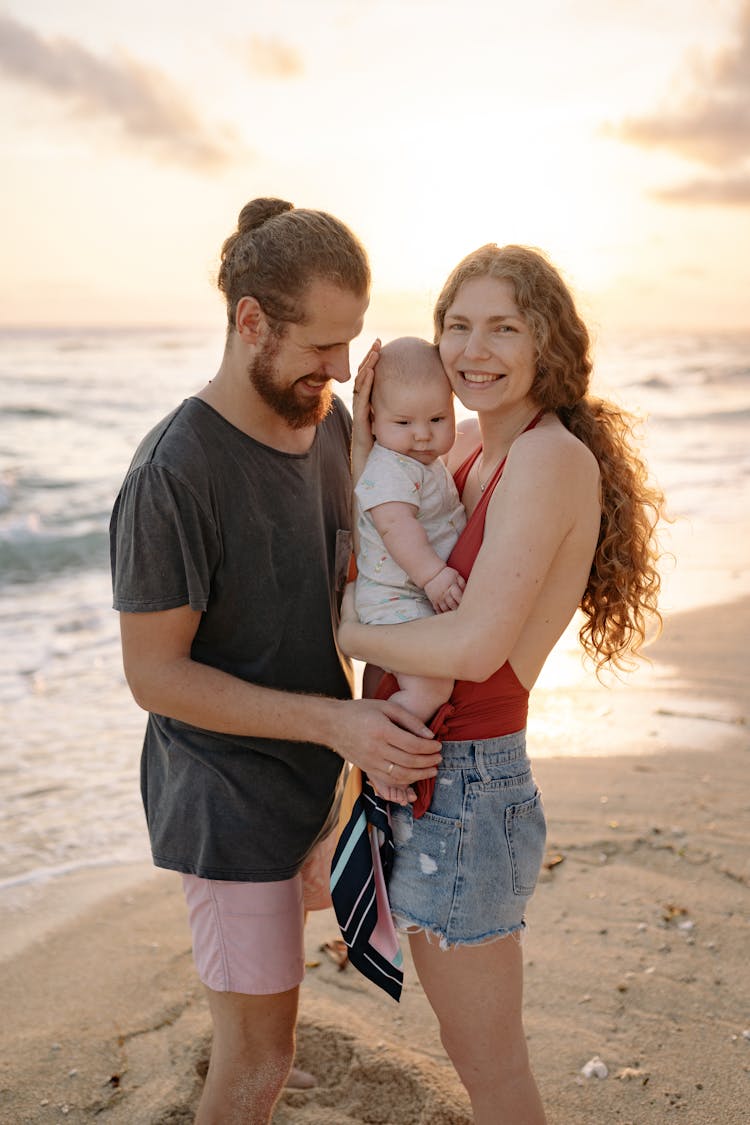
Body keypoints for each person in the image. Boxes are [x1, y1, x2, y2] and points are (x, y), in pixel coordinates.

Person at [109, 197, 442, 1125]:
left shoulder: (334, 426)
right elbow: (156, 675)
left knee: (271, 1041)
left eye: (352, 346)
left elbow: (345, 580)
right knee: (257, 1058)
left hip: (312, 784)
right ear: (249, 320)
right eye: (322, 347)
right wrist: (339, 722)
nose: (339, 370)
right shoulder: (173, 475)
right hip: (225, 799)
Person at [338, 243, 663, 1124]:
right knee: (468, 1047)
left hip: (470, 785)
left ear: (546, 341)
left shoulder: (550, 460)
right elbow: (385, 509)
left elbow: (478, 647)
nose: (473, 348)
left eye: (503, 327)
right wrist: (367, 425)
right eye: (457, 325)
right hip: (425, 767)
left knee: (492, 1068)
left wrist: (338, 631)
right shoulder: (470, 445)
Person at [354, 336, 466, 803]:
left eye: (438, 419)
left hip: (409, 594)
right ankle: (382, 758)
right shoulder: (389, 471)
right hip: (396, 598)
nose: (423, 434)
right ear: (374, 421)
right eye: (404, 422)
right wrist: (435, 577)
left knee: (432, 680)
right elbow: (399, 530)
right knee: (430, 685)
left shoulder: (420, 460)